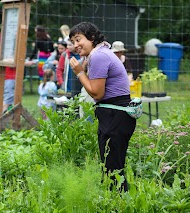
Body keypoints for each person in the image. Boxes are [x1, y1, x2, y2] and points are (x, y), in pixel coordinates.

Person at [69, 22, 136, 192]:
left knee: (112, 169)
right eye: (73, 41)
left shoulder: (99, 56)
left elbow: (96, 93)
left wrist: (79, 72)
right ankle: (118, 202)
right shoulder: (100, 52)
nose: (75, 45)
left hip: (115, 115)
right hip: (115, 115)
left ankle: (117, 204)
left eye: (78, 39)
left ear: (91, 38)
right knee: (113, 167)